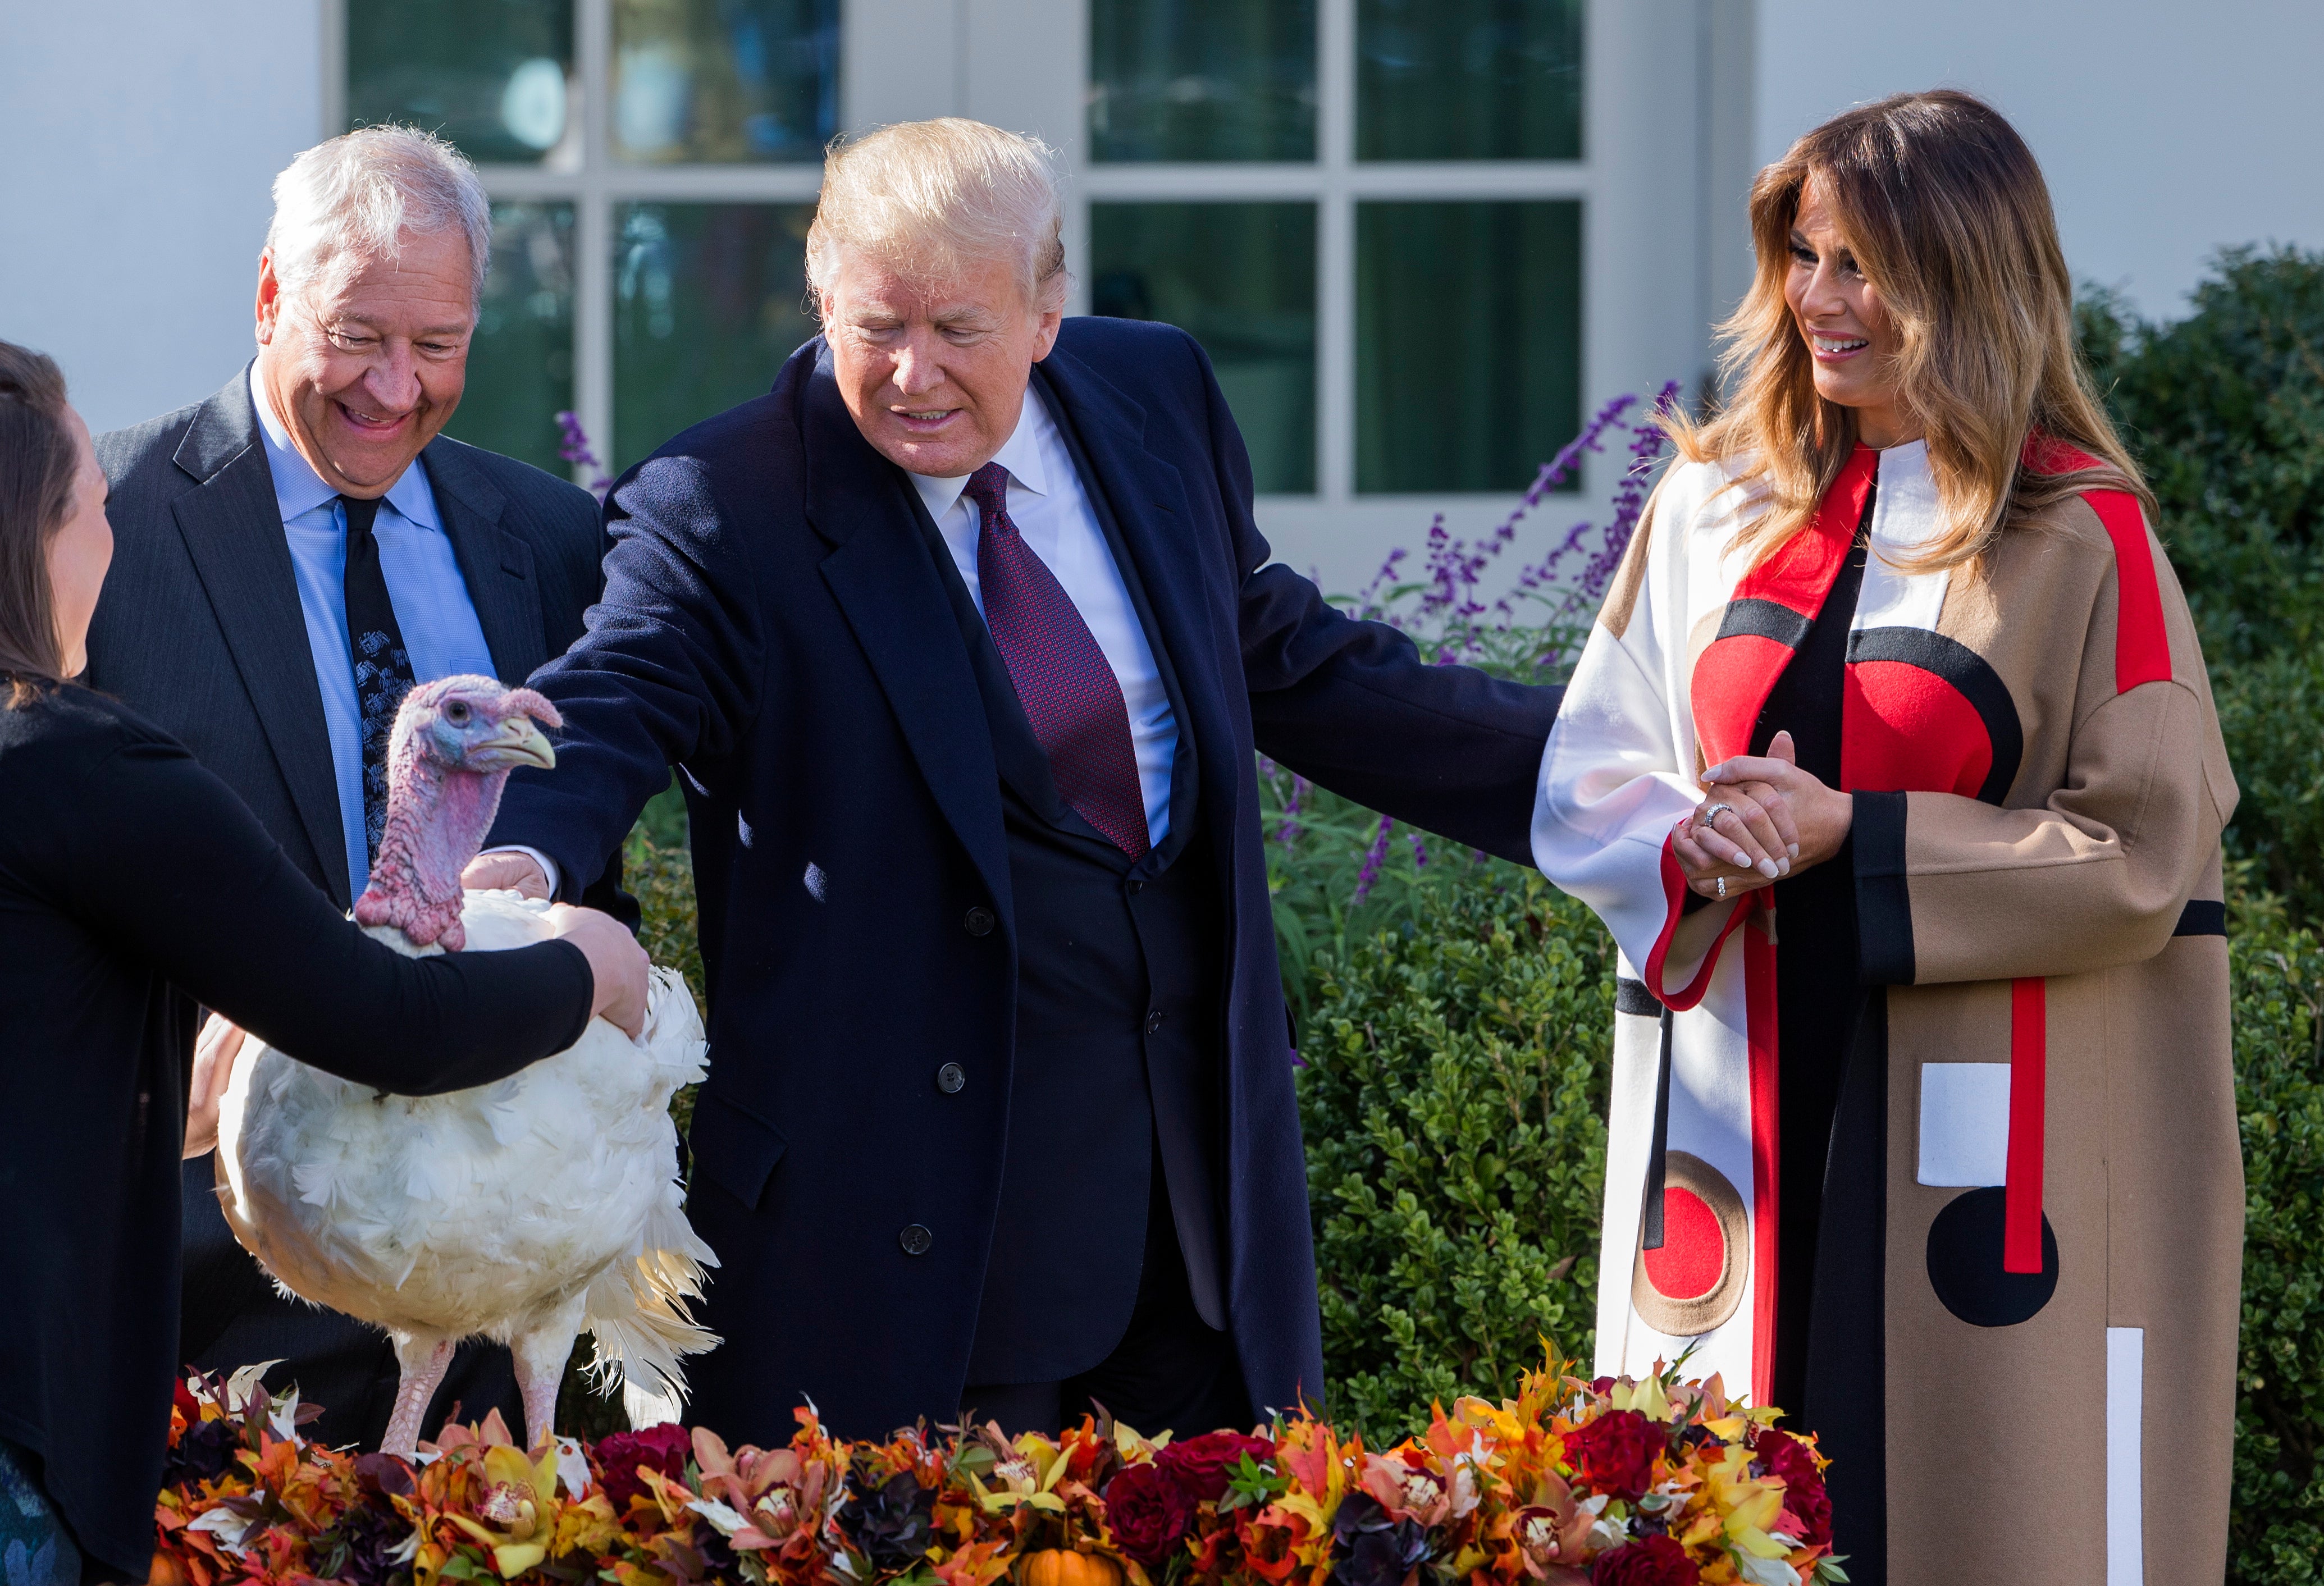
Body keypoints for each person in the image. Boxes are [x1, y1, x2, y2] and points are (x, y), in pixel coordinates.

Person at [460, 117, 1564, 1441]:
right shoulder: (722, 503)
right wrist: (517, 869)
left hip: (1194, 1237)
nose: (913, 374)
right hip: (919, 1251)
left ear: (1050, 309)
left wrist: (1597, 767)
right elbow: (616, 691)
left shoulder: (1156, 397)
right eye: (875, 327)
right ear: (819, 296)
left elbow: (1280, 650)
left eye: (958, 330)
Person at [1533, 90, 2239, 1585]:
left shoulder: (2077, 533)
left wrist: (1848, 832)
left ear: (1967, 279)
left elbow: (2141, 848)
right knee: (1714, 1502)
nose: (1817, 300)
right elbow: (1592, 774)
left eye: (1862, 265)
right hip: (1737, 1100)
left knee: (1967, 1509)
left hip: (1985, 1146)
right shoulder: (1709, 504)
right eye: (1804, 255)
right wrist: (1694, 843)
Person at [0, 340, 648, 1586]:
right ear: (28, 544)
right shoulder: (72, 766)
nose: (115, 547)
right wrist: (589, 971)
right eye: (91, 510)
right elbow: (386, 1015)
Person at [85, 126, 624, 1450]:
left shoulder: (556, 543)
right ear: (270, 297)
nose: (395, 388)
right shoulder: (100, 520)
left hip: (510, 1305)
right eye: (356, 337)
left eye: (437, 346)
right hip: (210, 1294)